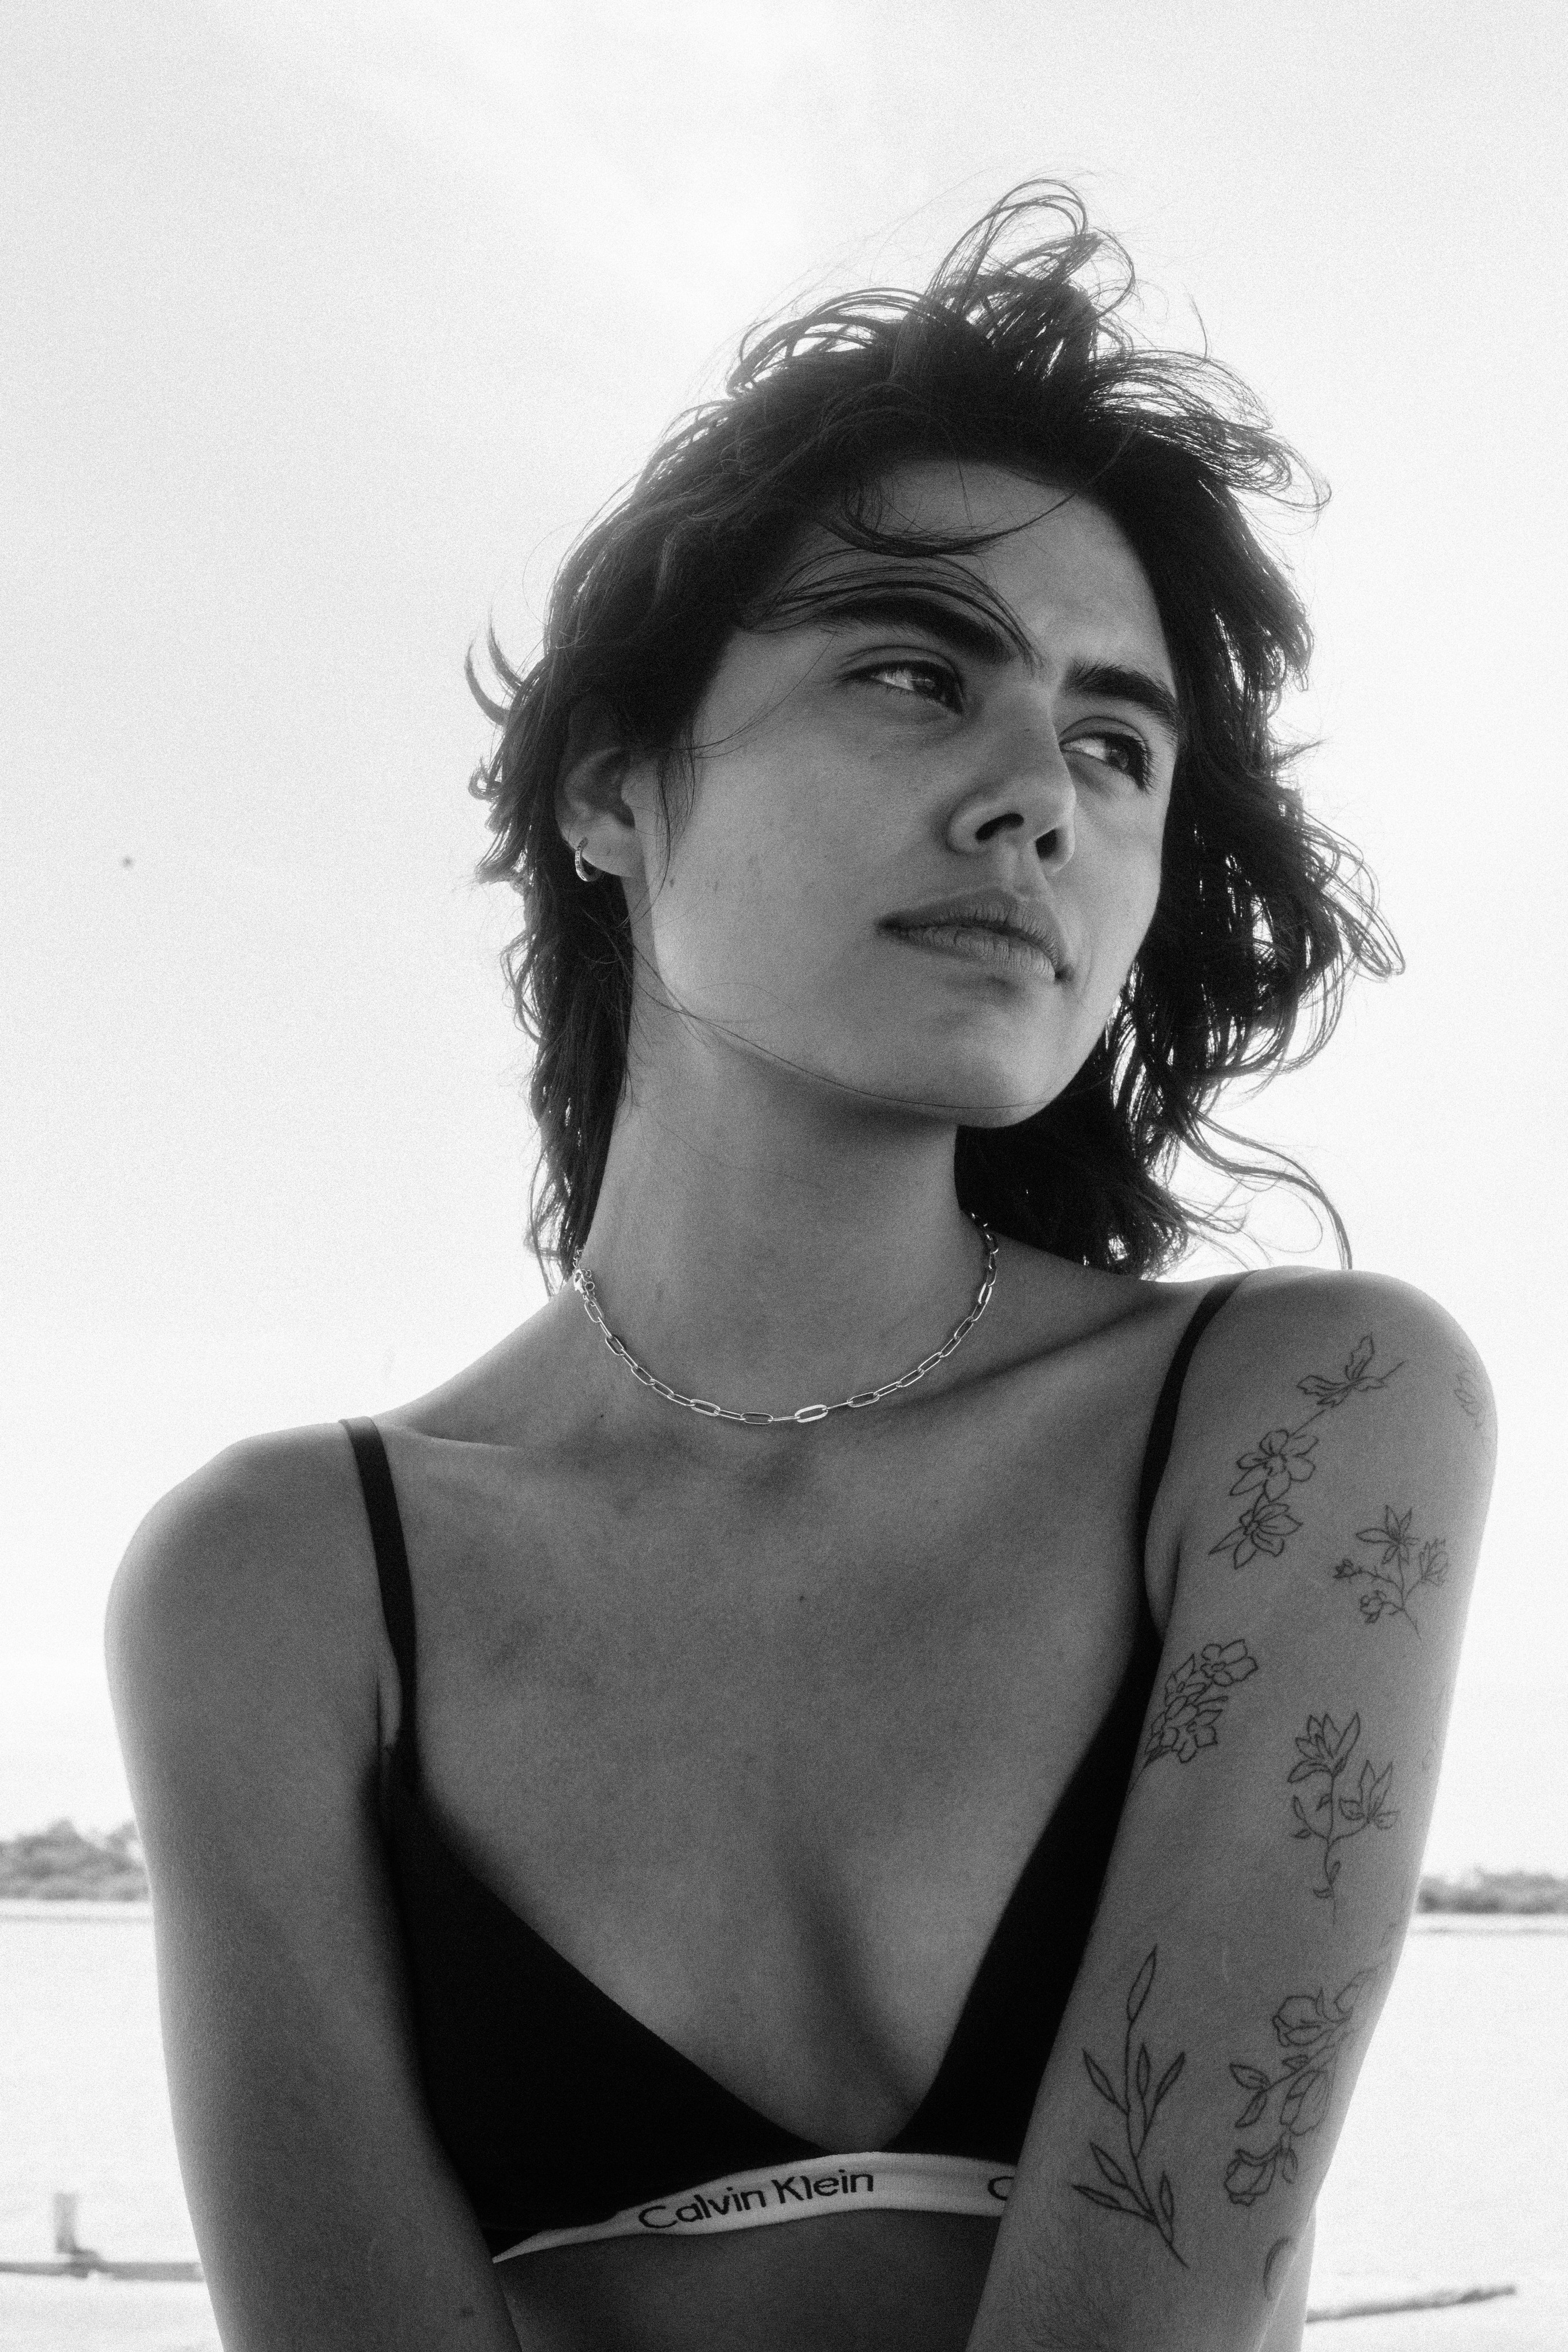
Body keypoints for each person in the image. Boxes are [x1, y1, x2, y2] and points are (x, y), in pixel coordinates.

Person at [107, 186, 1495, 2352]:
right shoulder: (278, 1579)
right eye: (910, 670)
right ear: (607, 784)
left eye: (1116, 742)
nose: (1038, 792)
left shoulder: (1309, 1418)